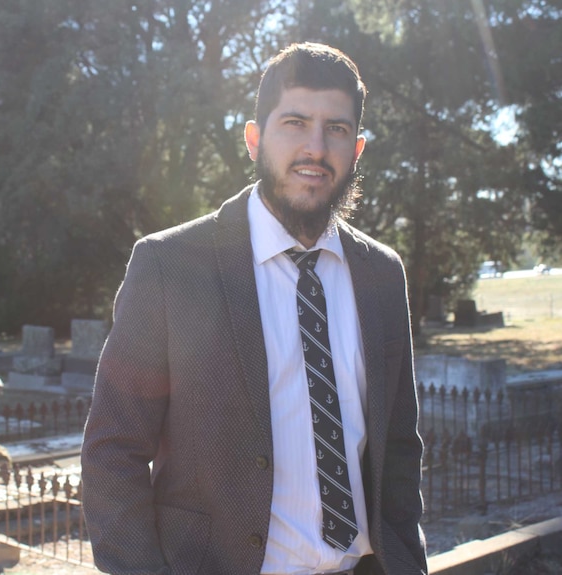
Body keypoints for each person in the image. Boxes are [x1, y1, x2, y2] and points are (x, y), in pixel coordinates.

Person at [81, 42, 427, 575]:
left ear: (356, 149)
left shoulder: (382, 274)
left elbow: (399, 445)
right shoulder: (169, 266)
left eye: (335, 129)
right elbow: (112, 451)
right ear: (254, 139)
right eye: (294, 122)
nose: (315, 148)